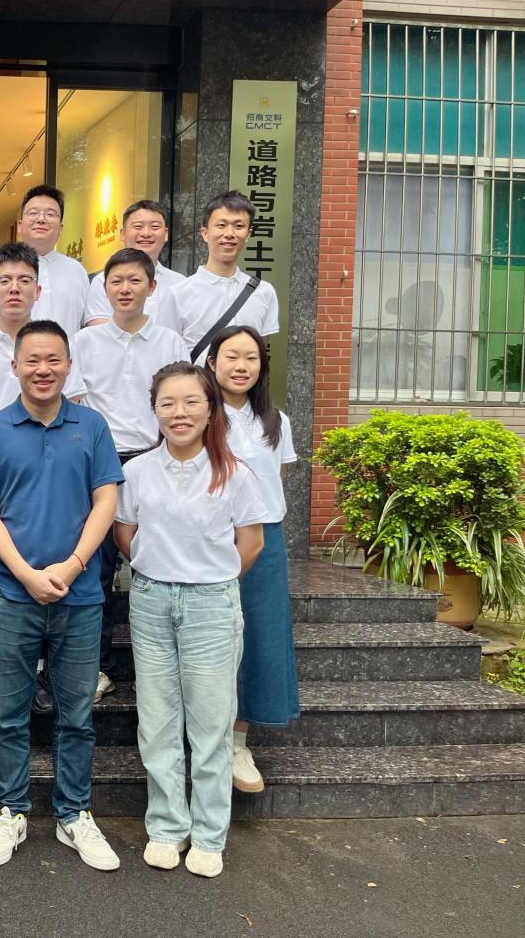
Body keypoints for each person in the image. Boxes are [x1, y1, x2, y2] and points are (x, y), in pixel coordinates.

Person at [0, 320, 124, 872]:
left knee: (77, 715)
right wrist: (26, 573)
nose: (43, 369)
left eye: (54, 359)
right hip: (11, 595)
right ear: (14, 366)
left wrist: (74, 564)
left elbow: (106, 500)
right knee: (9, 714)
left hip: (80, 597)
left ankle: (73, 812)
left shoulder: (92, 425)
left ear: (69, 366)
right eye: (32, 360)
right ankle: (10, 809)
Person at [113, 361, 266, 879]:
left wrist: (207, 576)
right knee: (156, 721)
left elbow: (251, 544)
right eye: (168, 403)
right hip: (151, 600)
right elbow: (125, 533)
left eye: (191, 402)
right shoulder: (137, 471)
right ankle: (166, 827)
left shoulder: (235, 473)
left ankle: (208, 834)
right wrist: (163, 569)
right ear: (155, 411)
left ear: (210, 408)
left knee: (211, 724)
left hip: (211, 605)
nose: (179, 413)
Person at [0, 243, 84, 714]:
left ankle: (40, 672)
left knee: (42, 570)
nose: (14, 289)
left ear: (38, 290)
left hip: (44, 484)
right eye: (4, 280)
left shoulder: (54, 343)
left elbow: (75, 407)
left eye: (24, 280)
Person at [71, 248, 189, 703]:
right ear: (103, 289)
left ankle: (159, 670)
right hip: (98, 462)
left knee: (156, 564)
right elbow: (75, 403)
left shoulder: (171, 343)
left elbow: (181, 403)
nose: (125, 289)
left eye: (135, 280)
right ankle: (96, 667)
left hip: (155, 460)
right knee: (96, 568)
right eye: (116, 281)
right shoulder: (84, 342)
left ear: (152, 287)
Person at [206, 325, 300, 794]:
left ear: (262, 367)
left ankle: (237, 742)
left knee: (258, 636)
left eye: (251, 358)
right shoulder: (199, 413)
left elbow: (274, 480)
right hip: (207, 538)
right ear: (212, 362)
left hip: (263, 541)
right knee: (208, 638)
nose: (240, 366)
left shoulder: (276, 421)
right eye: (231, 356)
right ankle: (203, 737)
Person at [156, 190, 280, 363]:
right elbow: (166, 354)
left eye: (238, 226)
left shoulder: (264, 292)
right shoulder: (178, 294)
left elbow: (258, 353)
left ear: (248, 234)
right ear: (204, 233)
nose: (229, 233)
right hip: (196, 380)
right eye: (221, 225)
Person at [0, 185, 89, 334]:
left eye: (50, 214)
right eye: (33, 213)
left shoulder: (77, 271)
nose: (41, 219)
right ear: (20, 225)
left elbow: (87, 327)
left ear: (61, 228)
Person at [85, 200, 184, 326]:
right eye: (138, 226)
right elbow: (99, 332)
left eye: (154, 227)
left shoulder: (180, 283)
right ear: (123, 234)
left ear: (165, 234)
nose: (146, 233)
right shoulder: (103, 281)